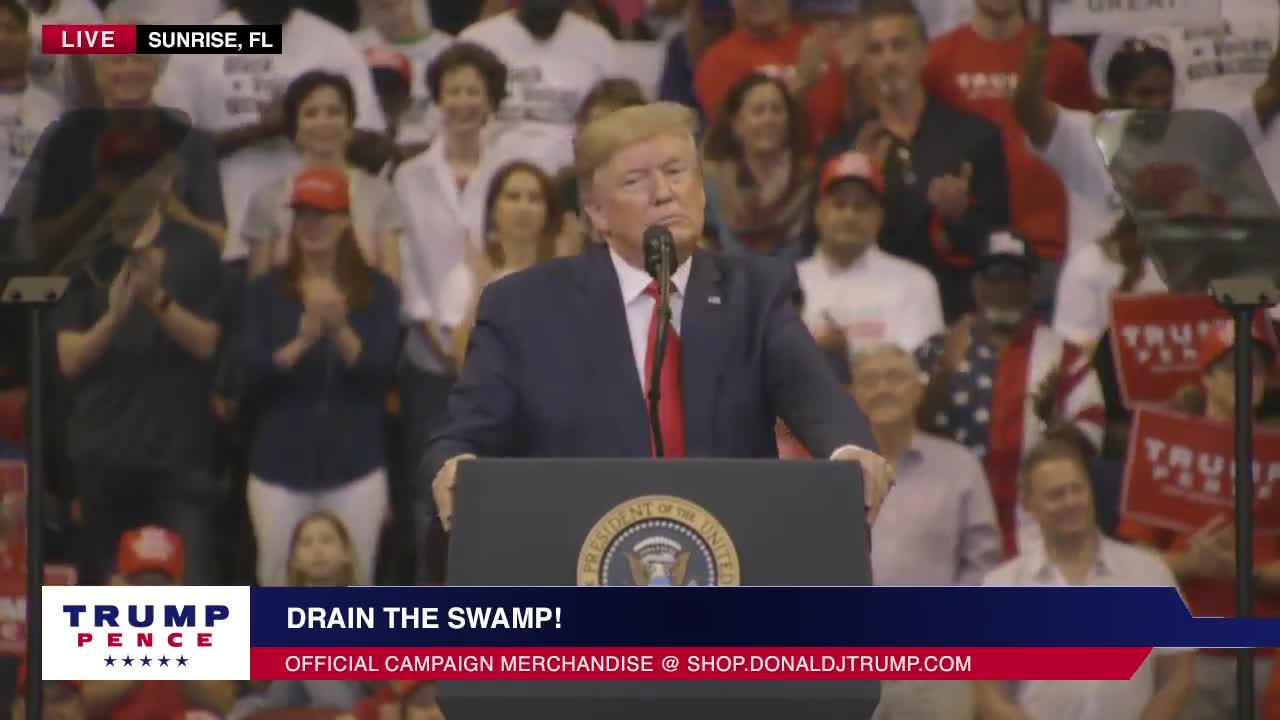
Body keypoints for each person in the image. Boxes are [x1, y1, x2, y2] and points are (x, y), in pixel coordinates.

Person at [426, 101, 893, 534]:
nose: (665, 193)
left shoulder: (754, 293)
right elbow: (464, 435)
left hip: (727, 557)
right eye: (635, 181)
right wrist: (455, 465)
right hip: (576, 557)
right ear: (597, 213)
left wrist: (849, 451)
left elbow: (814, 395)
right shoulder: (524, 307)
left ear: (701, 191)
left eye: (675, 172)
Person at [52, 133, 226, 586]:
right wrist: (114, 317)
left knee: (191, 601)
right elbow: (69, 359)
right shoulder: (78, 257)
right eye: (121, 174)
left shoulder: (198, 250)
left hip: (181, 460)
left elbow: (208, 344)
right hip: (104, 456)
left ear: (167, 179)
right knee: (107, 601)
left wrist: (156, 299)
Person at [239, 167, 400, 587]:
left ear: (344, 219)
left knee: (358, 579)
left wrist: (340, 330)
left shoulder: (378, 291)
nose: (311, 225)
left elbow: (383, 373)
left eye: (322, 214)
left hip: (356, 463)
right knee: (275, 580)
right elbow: (248, 376)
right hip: (279, 464)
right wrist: (301, 342)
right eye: (303, 214)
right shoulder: (265, 293)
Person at [1117, 318, 1280, 719]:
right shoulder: (1166, 445)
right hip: (1187, 653)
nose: (1248, 377)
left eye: (1257, 368)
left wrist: (1247, 573)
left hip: (1268, 653)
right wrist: (1193, 564)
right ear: (1207, 377)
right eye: (1233, 367)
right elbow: (1131, 567)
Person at [817, 0, 1009, 322]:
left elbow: (999, 244)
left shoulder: (976, 137)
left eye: (899, 46)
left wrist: (959, 216)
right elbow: (822, 250)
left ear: (924, 53)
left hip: (956, 313)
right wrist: (862, 182)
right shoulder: (841, 151)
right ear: (864, 63)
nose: (889, 60)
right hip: (868, 315)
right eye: (876, 50)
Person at [915, 230, 1104, 557]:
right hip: (946, 531)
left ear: (1034, 287)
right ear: (977, 285)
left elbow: (1089, 445)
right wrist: (942, 376)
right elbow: (904, 434)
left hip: (1035, 538)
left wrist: (1053, 421)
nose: (1005, 289)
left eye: (1016, 278)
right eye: (995, 277)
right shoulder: (935, 348)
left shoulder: (1066, 358)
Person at [978, 439, 1194, 719]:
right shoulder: (1001, 586)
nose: (1071, 502)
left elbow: (1176, 679)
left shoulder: (1149, 574)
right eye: (1056, 495)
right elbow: (991, 697)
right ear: (1029, 504)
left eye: (1077, 489)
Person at [852, 343, 999, 720]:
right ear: (854, 396)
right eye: (870, 380)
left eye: (895, 377)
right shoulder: (833, 471)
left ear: (919, 390)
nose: (883, 388)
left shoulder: (960, 466)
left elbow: (983, 563)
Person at [238, 70, 405, 284]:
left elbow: (391, 285)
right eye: (310, 114)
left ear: (350, 124)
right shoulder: (267, 200)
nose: (323, 122)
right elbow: (258, 289)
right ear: (294, 129)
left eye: (334, 112)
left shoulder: (380, 195)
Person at [797, 151, 944, 366]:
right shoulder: (787, 284)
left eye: (861, 206)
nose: (849, 216)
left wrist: (847, 353)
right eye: (839, 204)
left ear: (880, 217)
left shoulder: (915, 283)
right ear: (818, 212)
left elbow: (920, 370)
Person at [441, 160, 561, 373]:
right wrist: (480, 290)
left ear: (547, 213)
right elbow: (461, 358)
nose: (523, 207)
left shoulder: (564, 280)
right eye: (513, 197)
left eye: (534, 199)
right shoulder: (465, 278)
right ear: (493, 210)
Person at [701, 72, 814, 262]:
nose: (769, 119)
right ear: (737, 124)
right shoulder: (714, 190)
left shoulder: (810, 183)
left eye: (776, 110)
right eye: (758, 111)